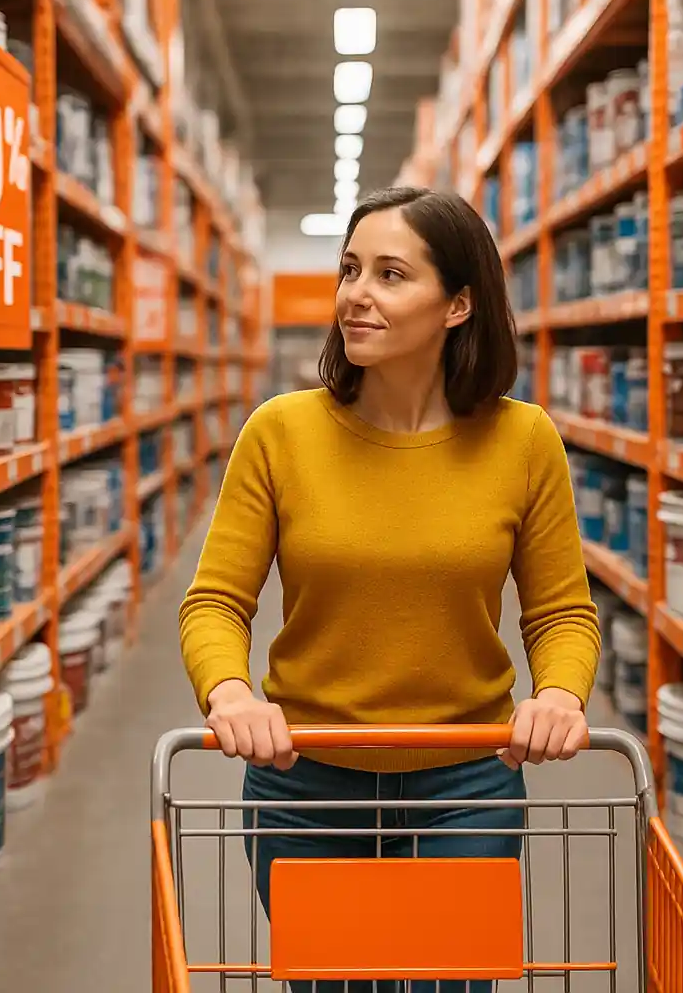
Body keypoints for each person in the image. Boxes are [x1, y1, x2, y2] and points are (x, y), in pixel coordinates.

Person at [179, 186, 601, 993]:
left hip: (468, 784)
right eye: (349, 269)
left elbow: (561, 613)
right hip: (306, 783)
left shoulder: (523, 440)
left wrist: (562, 697)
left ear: (458, 304)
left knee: (449, 983)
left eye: (390, 274)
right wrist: (230, 692)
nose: (355, 295)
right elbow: (216, 602)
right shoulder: (281, 432)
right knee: (333, 983)